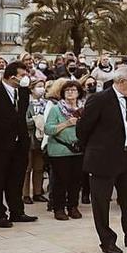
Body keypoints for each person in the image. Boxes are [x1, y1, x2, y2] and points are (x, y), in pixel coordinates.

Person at [76, 66, 127, 253]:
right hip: (104, 159)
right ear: (121, 82)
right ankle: (107, 240)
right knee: (102, 202)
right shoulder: (100, 100)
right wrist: (96, 149)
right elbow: (83, 130)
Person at [0, 61, 37, 228]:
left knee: (16, 178)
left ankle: (17, 211)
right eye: (22, 75)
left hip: (19, 144)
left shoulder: (22, 92)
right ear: (11, 77)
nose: (26, 78)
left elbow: (21, 114)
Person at [44, 78, 85, 221]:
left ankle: (73, 206)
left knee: (76, 180)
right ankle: (59, 208)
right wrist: (66, 123)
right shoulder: (56, 109)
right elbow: (48, 129)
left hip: (78, 149)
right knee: (61, 180)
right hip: (60, 150)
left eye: (73, 90)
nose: (70, 93)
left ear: (79, 93)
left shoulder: (83, 109)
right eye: (67, 90)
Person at [24, 79, 49, 205]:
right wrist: (34, 120)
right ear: (32, 89)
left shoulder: (46, 103)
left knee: (39, 167)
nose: (42, 89)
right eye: (39, 86)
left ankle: (38, 192)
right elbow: (23, 120)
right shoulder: (26, 102)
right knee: (27, 168)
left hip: (41, 139)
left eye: (43, 86)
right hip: (29, 138)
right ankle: (25, 193)